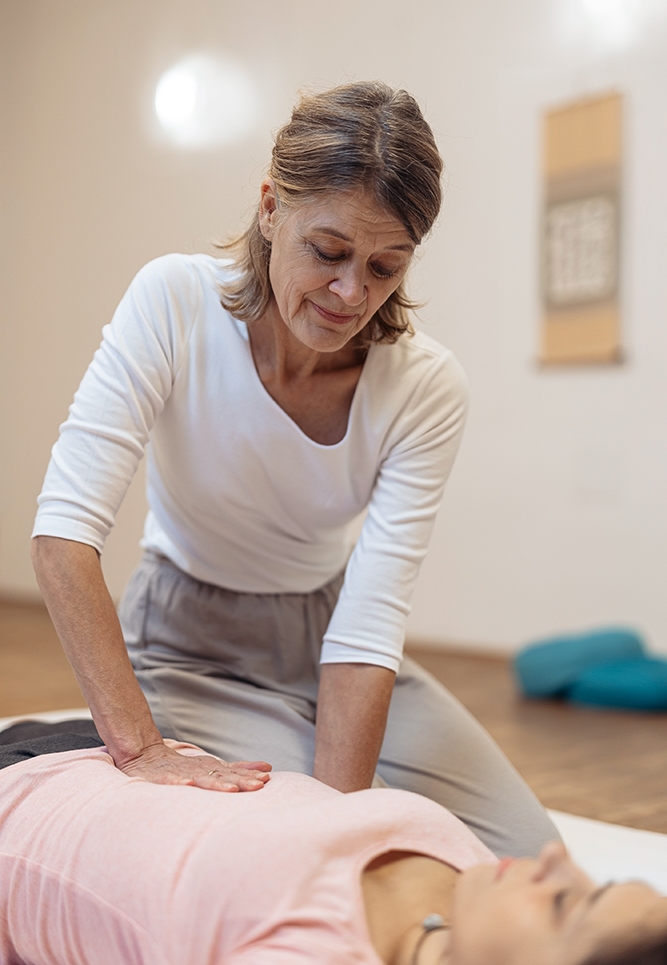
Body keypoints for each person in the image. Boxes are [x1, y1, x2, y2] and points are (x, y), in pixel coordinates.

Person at [30, 80, 558, 858]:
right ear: (271, 209)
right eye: (328, 252)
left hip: (328, 638)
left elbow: (368, 622)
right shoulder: (173, 301)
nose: (352, 293)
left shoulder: (425, 386)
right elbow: (63, 536)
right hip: (187, 644)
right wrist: (140, 748)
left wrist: (342, 830)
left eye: (385, 266)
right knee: (352, 845)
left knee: (529, 855)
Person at [0, 723, 665, 965]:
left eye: (565, 906)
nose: (556, 860)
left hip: (18, 806)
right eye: (594, 886)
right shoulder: (478, 891)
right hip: (123, 748)